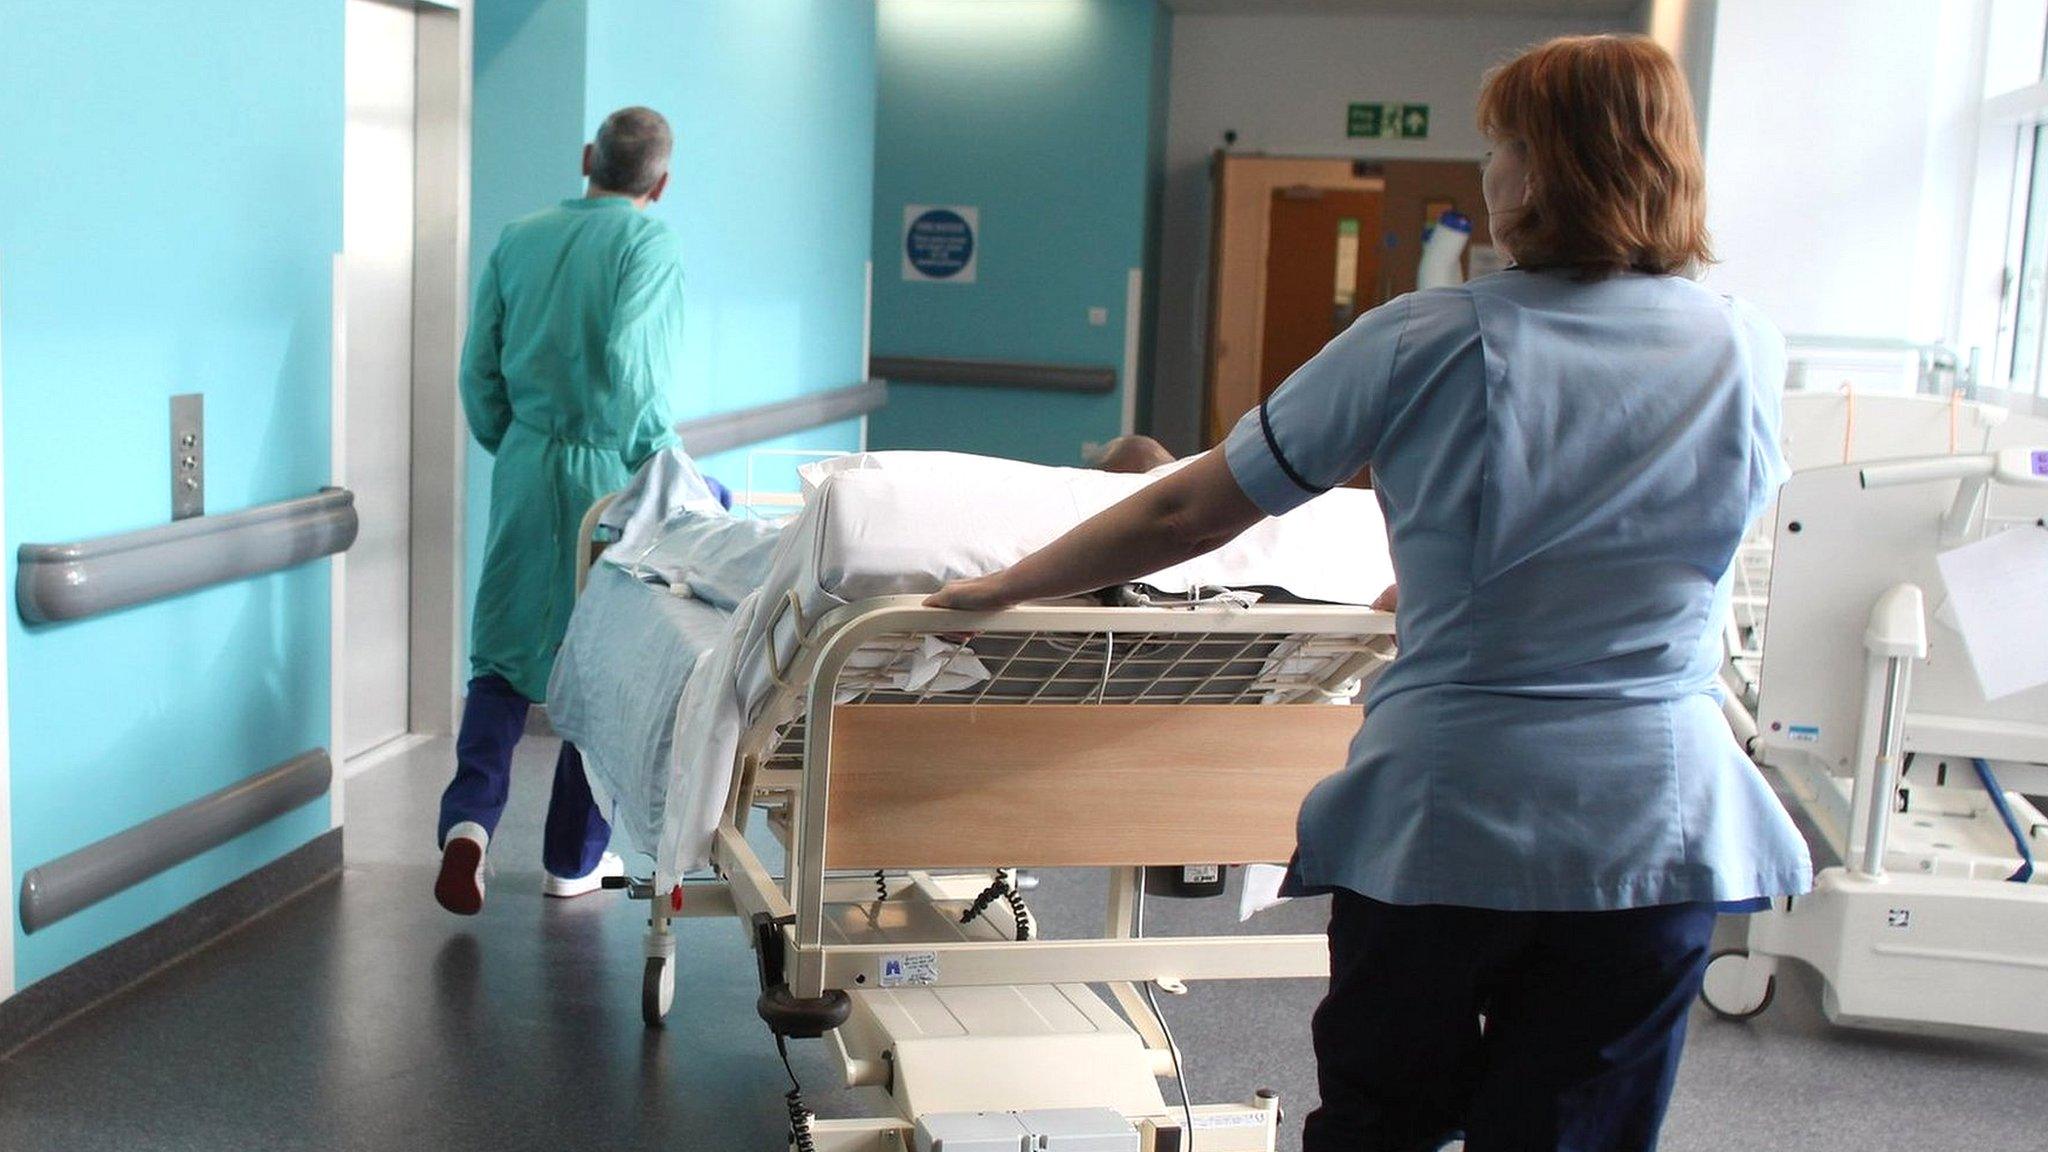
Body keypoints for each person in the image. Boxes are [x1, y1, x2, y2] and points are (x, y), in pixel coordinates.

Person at [928, 35, 1809, 1152]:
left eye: (1497, 147)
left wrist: (1007, 584)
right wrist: (1446, 576)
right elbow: (1660, 526)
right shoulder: (1742, 347)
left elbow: (1182, 512)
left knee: (1387, 1122)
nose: (1486, 174)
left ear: (1538, 171)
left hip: (1456, 816)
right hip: (1658, 820)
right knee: (1571, 1132)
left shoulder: (1420, 339)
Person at [435, 106, 694, 916]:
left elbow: (479, 370)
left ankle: (468, 829)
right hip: (605, 471)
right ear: (661, 182)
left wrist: (514, 443)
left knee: (502, 649)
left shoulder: (519, 237)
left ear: (587, 158)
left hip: (525, 458)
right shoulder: (647, 243)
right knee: (596, 658)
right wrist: (656, 462)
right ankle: (571, 860)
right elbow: (631, 363)